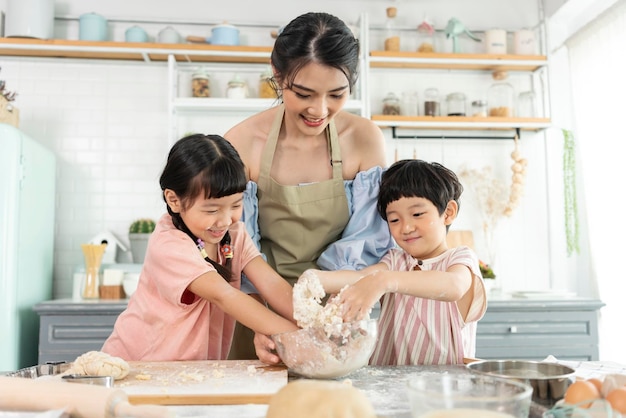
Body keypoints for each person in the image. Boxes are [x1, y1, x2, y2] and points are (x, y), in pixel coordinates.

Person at [224, 12, 394, 362]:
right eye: (303, 94)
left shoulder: (364, 139)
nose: (319, 110)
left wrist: (325, 313)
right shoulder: (242, 142)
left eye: (336, 95)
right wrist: (265, 322)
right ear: (277, 73)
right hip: (259, 311)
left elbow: (370, 241)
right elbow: (237, 248)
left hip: (338, 314)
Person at [102, 134, 299, 361]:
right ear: (174, 200)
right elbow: (224, 296)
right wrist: (296, 337)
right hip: (140, 365)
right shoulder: (169, 244)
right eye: (212, 210)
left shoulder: (234, 236)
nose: (225, 220)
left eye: (236, 205)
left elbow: (272, 284)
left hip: (190, 373)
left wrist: (317, 326)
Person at [298, 159, 487, 365]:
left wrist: (384, 281)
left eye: (417, 214)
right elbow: (360, 278)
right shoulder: (395, 260)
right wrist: (315, 279)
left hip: (443, 391)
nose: (405, 228)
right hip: (388, 384)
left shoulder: (459, 259)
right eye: (394, 220)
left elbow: (454, 286)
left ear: (448, 213)